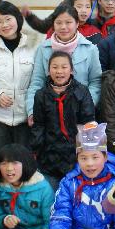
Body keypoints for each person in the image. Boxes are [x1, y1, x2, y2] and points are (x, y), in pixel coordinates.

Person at [0, 1, 43, 167]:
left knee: (24, 166)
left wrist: (34, 111)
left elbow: (40, 82)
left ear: (17, 18)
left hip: (25, 119)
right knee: (1, 165)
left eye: (8, 19)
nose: (4, 25)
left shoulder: (34, 47)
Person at [29, 51, 96, 187]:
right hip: (49, 154)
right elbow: (39, 126)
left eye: (64, 67)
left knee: (74, 192)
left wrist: (86, 151)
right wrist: (36, 151)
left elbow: (88, 122)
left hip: (75, 153)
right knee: (52, 192)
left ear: (71, 70)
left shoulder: (82, 91)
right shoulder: (41, 95)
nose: (59, 71)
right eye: (55, 67)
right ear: (48, 70)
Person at [27, 2, 103, 119]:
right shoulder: (43, 48)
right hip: (49, 112)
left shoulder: (90, 49)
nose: (63, 27)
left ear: (77, 23)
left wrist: (85, 106)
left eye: (68, 22)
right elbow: (37, 82)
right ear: (53, 25)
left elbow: (95, 82)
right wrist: (32, 111)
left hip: (80, 113)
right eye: (58, 23)